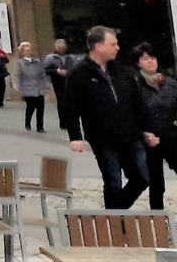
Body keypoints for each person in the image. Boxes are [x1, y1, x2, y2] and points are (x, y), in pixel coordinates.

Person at [64, 25, 159, 209]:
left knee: (143, 177)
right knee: (113, 182)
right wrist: (75, 136)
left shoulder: (123, 72)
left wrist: (149, 129)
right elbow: (71, 107)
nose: (118, 47)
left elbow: (138, 103)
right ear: (99, 46)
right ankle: (116, 224)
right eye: (113, 44)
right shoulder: (79, 73)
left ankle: (115, 211)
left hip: (131, 135)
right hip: (103, 139)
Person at [136, 43, 177, 208]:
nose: (151, 61)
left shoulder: (171, 84)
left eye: (153, 58)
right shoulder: (135, 86)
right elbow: (131, 116)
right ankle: (157, 216)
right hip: (150, 141)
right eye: (146, 58)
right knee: (156, 181)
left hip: (173, 137)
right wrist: (143, 133)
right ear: (138, 63)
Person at [15, 41, 50, 132]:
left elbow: (43, 74)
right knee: (31, 106)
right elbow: (18, 75)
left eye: (30, 50)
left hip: (39, 87)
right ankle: (28, 122)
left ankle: (40, 126)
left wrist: (47, 85)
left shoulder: (37, 61)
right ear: (22, 52)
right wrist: (17, 86)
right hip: (27, 87)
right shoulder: (20, 63)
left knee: (40, 107)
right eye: (27, 50)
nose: (29, 52)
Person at [45, 38, 80, 132]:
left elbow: (77, 69)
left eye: (63, 47)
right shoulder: (51, 58)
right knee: (61, 103)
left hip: (69, 82)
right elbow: (46, 70)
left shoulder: (71, 57)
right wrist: (57, 71)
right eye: (59, 47)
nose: (61, 49)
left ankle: (70, 121)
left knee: (70, 103)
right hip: (58, 83)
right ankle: (63, 122)